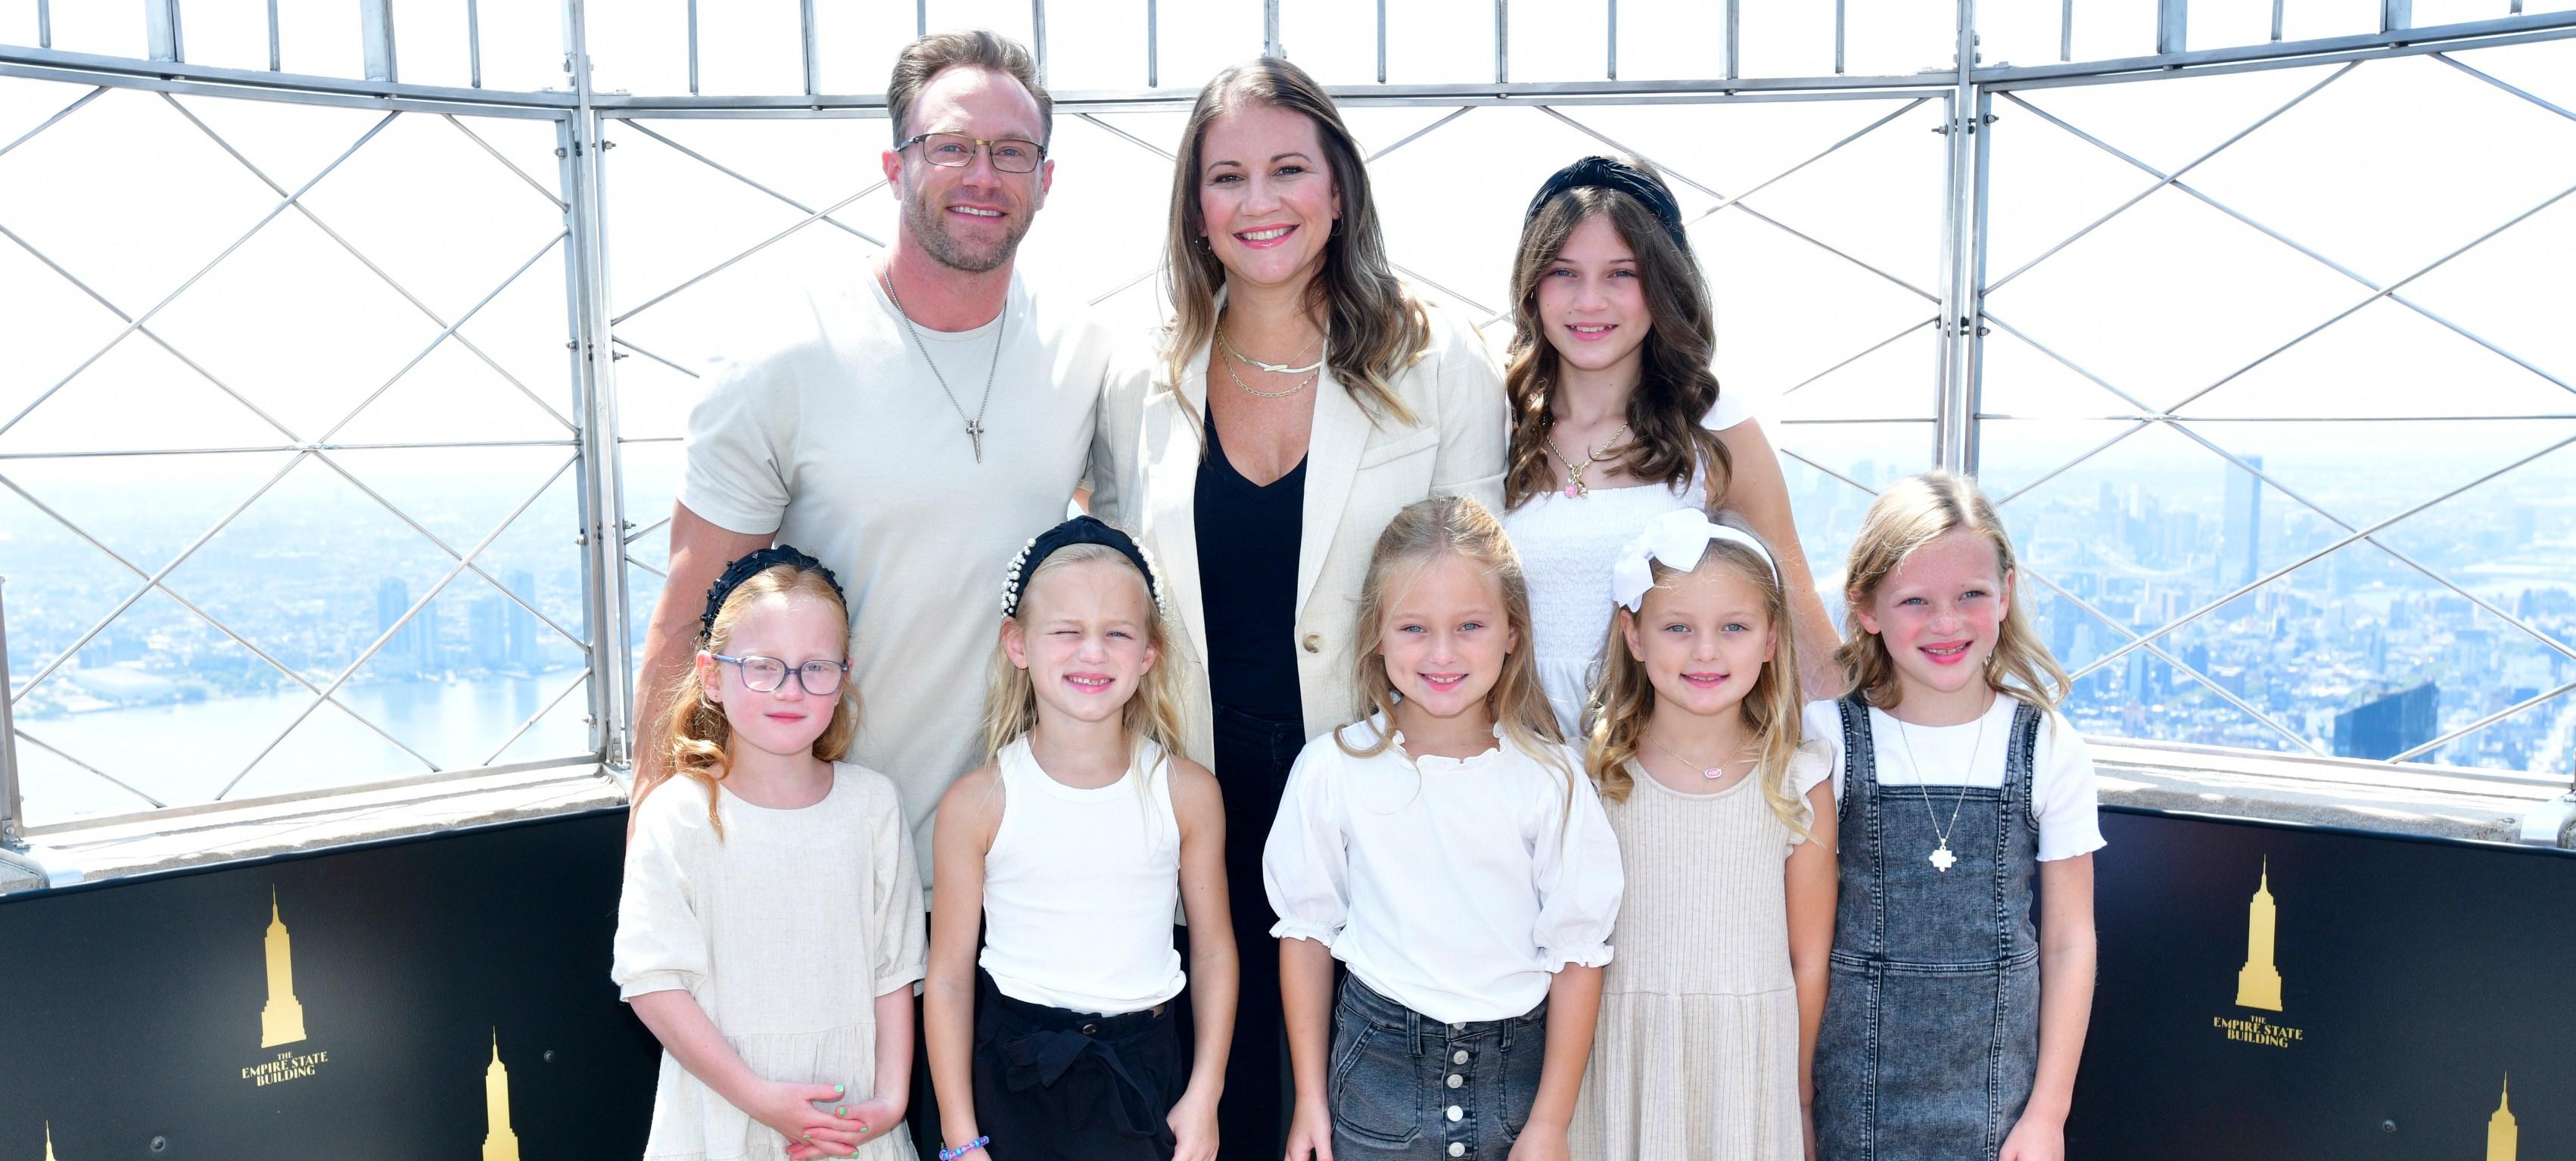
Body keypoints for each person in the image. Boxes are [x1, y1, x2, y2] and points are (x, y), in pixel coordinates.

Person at [625, 31, 1110, 1154]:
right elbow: (685, 623)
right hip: (825, 873)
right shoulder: (781, 355)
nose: (981, 174)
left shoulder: (1084, 355)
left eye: (1011, 150)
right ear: (894, 164)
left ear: (1048, 177)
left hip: (1017, 870)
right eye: (950, 146)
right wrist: (655, 853)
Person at [1086, 58, 1508, 1159]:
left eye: (1288, 169)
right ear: (1195, 207)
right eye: (1227, 177)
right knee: (1209, 1103)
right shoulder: (1141, 372)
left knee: (1357, 1107)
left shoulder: (1438, 359)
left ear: (1339, 189)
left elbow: (1480, 589)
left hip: (1382, 793)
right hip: (1194, 793)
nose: (1259, 202)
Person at [1263, 496, 1622, 1161]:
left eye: (1471, 625)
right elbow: (1307, 933)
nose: (1443, 653)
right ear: (1375, 631)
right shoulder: (1334, 769)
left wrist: (1550, 1123)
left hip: (1515, 1086)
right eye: (1413, 629)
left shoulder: (1552, 779)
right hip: (1377, 1081)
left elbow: (1578, 956)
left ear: (1513, 630)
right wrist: (1309, 1099)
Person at [1805, 472, 2100, 1161]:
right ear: (1867, 608)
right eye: (1915, 600)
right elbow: (1804, 949)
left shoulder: (2049, 745)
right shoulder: (1827, 741)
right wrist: (1799, 1103)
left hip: (1998, 1109)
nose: (1946, 622)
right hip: (1853, 1102)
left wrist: (2047, 1117)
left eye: (1970, 594)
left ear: (2006, 594)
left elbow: (2068, 944)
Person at [924, 516, 1237, 1161]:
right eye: (1066, 631)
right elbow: (950, 979)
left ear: (1148, 655)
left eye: (1116, 634)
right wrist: (960, 1137)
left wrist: (1204, 1095)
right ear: (1018, 644)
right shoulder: (977, 802)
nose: (1092, 653)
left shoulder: (1187, 793)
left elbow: (1212, 953)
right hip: (1011, 1082)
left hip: (1146, 1079)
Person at [1495, 154, 1840, 737]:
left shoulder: (1713, 428)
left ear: (1662, 285)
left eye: (1622, 274)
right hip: (1515, 772)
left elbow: (1801, 630)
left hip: (1663, 772)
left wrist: (1895, 756)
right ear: (1531, 285)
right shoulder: (1491, 419)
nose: (1590, 302)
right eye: (1563, 272)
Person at [614, 546, 926, 1160]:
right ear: (711, 676)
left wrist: (889, 1103)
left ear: (843, 677)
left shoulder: (873, 807)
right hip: (721, 1116)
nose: (790, 689)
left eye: (816, 668)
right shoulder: (678, 815)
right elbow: (651, 983)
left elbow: (895, 972)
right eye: (762, 666)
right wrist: (760, 1097)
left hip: (853, 1125)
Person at [1567, 511, 1837, 1161]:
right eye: (1678, 628)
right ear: (1634, 635)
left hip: (1749, 1075)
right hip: (1619, 1065)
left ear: (1771, 639)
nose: (1706, 652)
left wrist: (1796, 1098)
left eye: (1734, 628)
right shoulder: (1590, 775)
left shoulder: (1799, 776)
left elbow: (1808, 960)